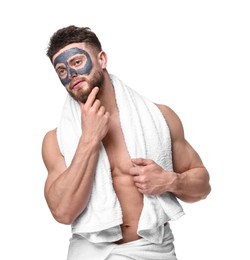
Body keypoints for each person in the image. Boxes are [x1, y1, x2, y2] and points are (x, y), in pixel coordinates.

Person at [42, 25, 211, 260]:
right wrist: (89, 139)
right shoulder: (55, 140)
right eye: (61, 70)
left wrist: (170, 180)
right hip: (90, 253)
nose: (71, 74)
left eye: (77, 62)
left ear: (101, 59)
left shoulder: (160, 118)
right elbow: (62, 213)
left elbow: (203, 187)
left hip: (153, 250)